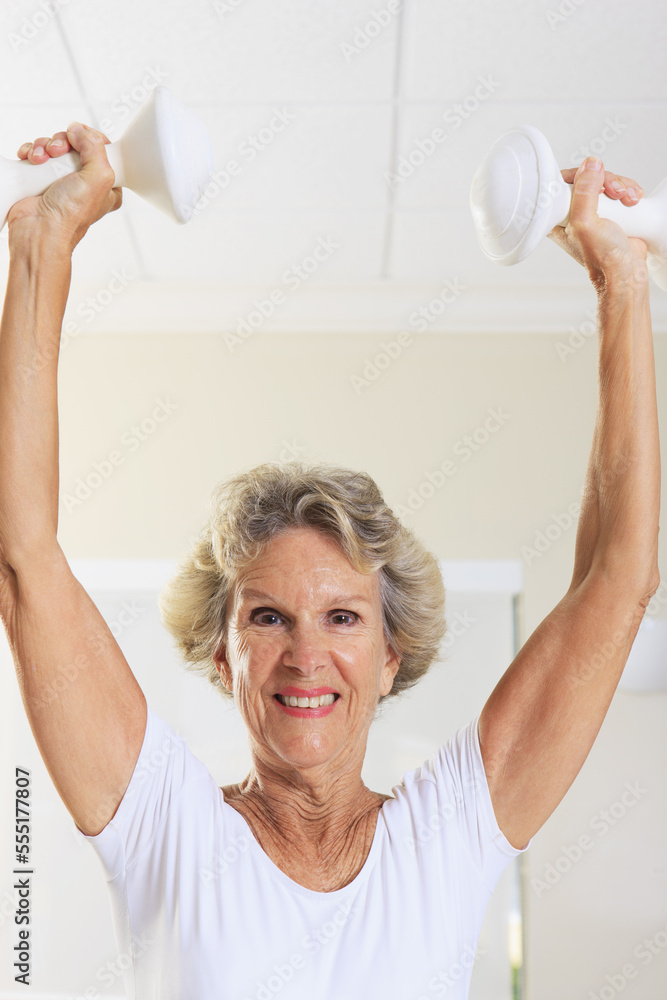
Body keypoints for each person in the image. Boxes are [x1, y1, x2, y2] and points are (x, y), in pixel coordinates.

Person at [0, 122, 659, 1000]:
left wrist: (621, 284)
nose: (306, 657)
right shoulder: (165, 828)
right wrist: (45, 250)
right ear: (221, 653)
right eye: (267, 617)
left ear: (390, 657)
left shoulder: (452, 834)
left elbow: (618, 582)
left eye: (342, 617)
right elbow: (22, 561)